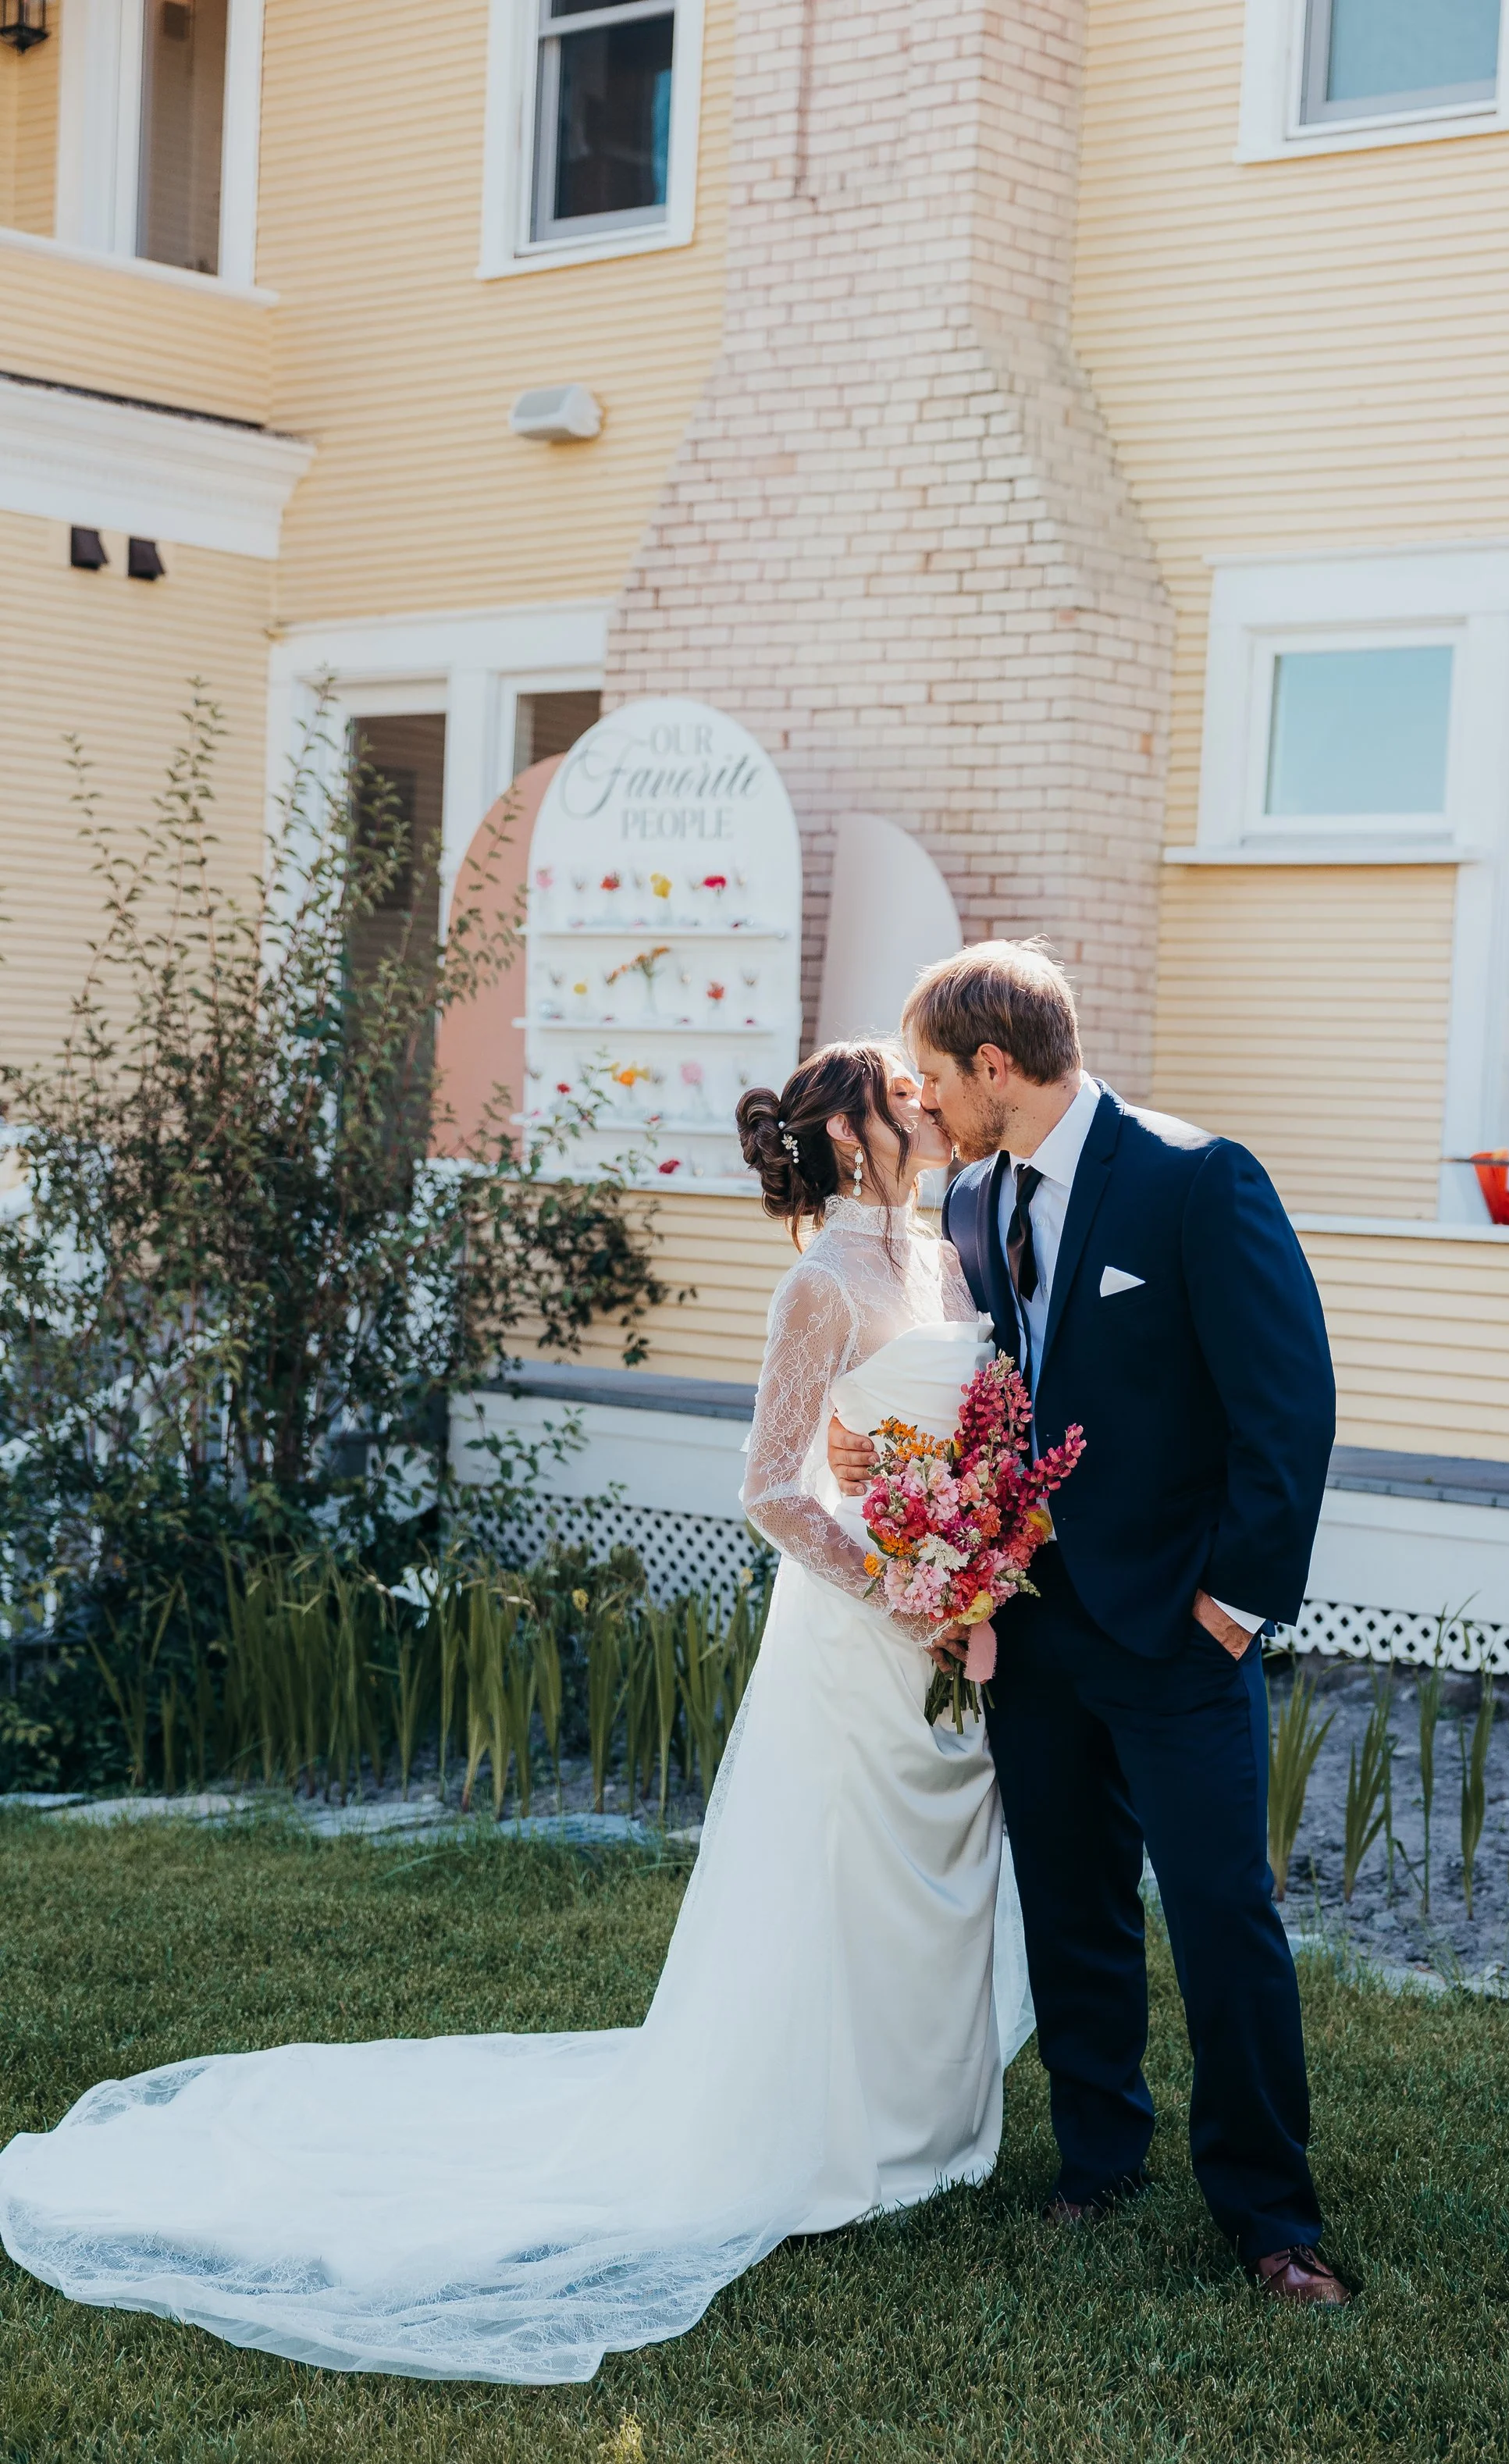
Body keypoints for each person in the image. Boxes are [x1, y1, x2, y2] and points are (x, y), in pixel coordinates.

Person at [0, 1045, 1034, 2384]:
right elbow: (775, 1489)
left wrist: (975, 1554)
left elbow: (955, 1438)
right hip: (861, 1633)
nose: (923, 1108)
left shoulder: (947, 1259)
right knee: (837, 1877)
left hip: (949, 1623)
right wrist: (902, 1588)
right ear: (847, 1137)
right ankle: (827, 2139)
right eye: (899, 1098)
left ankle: (931, 2130)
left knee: (927, 1872)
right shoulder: (818, 1284)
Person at [828, 942, 1347, 2307]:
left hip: (1183, 1639)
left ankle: (1268, 2216)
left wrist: (1231, 1608)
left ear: (997, 1065)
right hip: (1036, 1636)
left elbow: (1287, 1405)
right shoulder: (967, 1204)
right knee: (1069, 1909)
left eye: (938, 1081)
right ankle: (1099, 2157)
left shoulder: (1196, 1179)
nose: (928, 1108)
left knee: (1225, 1921)